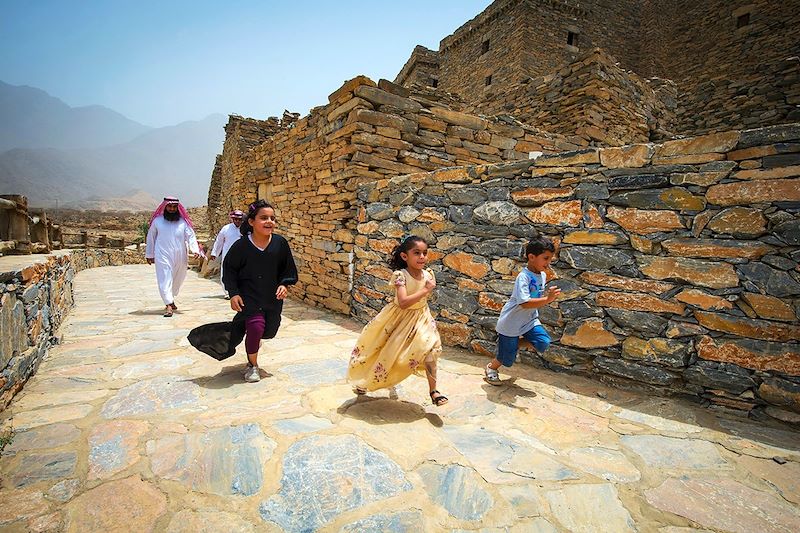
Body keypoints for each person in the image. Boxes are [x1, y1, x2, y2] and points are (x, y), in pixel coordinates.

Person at [347, 235, 447, 406]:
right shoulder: (400, 275)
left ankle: (434, 391)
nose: (422, 257)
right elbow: (403, 302)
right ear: (404, 256)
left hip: (421, 317)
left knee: (431, 349)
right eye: (417, 253)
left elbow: (421, 298)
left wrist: (426, 288)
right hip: (398, 319)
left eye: (425, 253)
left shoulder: (428, 274)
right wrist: (425, 290)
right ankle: (365, 381)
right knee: (383, 353)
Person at [223, 200, 298, 383]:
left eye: (272, 218)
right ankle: (252, 365)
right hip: (249, 297)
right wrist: (234, 293)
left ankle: (253, 341)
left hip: (272, 298)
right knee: (256, 327)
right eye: (264, 218)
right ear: (251, 222)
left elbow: (287, 269)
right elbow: (229, 270)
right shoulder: (241, 247)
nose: (269, 221)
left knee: (269, 331)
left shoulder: (280, 243)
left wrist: (284, 284)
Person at [485, 236, 561, 385]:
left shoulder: (543, 275)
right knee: (506, 358)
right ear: (531, 257)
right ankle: (491, 368)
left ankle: (514, 344)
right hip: (511, 322)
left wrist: (547, 297)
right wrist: (547, 299)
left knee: (542, 342)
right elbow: (525, 303)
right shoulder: (523, 277)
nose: (548, 263)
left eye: (550, 259)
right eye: (545, 258)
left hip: (529, 320)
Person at [145, 197, 202, 317]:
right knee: (165, 277)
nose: (172, 209)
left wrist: (195, 249)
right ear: (165, 207)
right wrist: (150, 254)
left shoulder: (183, 222)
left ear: (177, 208)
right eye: (169, 206)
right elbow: (151, 238)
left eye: (174, 207)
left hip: (180, 255)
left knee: (178, 278)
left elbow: (190, 236)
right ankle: (168, 305)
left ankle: (171, 298)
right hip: (162, 254)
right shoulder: (157, 221)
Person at [210, 210, 244, 298]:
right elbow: (219, 242)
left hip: (242, 256)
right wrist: (214, 253)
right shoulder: (226, 229)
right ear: (232, 219)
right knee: (226, 273)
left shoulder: (245, 229)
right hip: (228, 255)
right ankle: (227, 292)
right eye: (235, 219)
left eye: (239, 219)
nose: (237, 221)